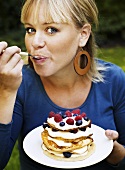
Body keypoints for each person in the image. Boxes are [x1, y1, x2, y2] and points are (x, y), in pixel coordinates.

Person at [0, 0, 125, 169]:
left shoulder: (114, 80)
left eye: (51, 30)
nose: (35, 42)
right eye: (30, 29)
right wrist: (6, 91)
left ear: (83, 35)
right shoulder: (19, 82)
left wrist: (114, 152)